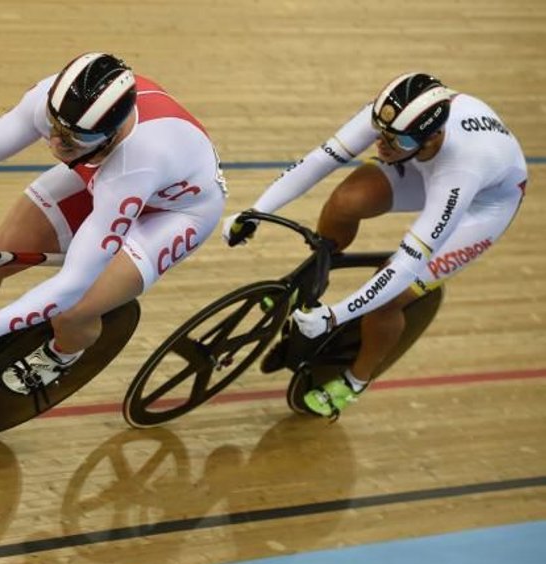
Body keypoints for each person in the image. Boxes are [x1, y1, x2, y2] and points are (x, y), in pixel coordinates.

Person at [0, 52, 227, 394]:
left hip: (173, 214)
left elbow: (73, 282)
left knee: (74, 308)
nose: (55, 142)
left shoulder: (138, 162)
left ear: (112, 134)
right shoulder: (60, 106)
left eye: (70, 140)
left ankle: (62, 353)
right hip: (101, 174)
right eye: (53, 128)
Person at [222, 72, 527, 418]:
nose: (382, 145)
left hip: (481, 207)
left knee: (390, 297)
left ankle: (355, 379)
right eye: (381, 135)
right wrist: (257, 211)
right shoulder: (398, 113)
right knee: (344, 203)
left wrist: (336, 315)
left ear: (432, 137)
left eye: (396, 142)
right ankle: (314, 276)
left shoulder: (462, 171)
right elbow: (322, 158)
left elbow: (408, 263)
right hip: (421, 167)